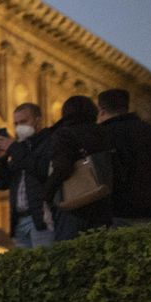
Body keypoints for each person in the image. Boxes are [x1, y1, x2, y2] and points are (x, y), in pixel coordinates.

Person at [96, 88, 151, 226]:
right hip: (149, 216)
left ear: (101, 110)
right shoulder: (150, 132)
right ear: (126, 107)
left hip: (115, 215)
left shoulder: (102, 135)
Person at [44, 94, 114, 240]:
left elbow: (62, 167)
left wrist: (47, 194)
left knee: (69, 253)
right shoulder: (105, 132)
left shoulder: (64, 134)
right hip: (103, 200)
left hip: (74, 206)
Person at [0, 102, 57, 248]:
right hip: (19, 221)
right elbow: (1, 183)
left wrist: (14, 148)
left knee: (43, 263)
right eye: (16, 123)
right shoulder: (19, 148)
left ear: (38, 121)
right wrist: (0, 159)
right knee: (25, 267)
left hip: (41, 218)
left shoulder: (49, 141)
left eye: (23, 122)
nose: (19, 127)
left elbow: (42, 170)